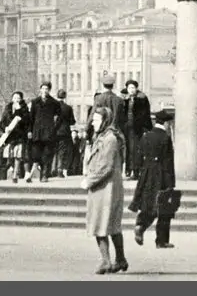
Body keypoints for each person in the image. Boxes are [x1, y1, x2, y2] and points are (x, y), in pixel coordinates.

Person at [81, 105, 128, 275]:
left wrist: (89, 181)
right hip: (106, 187)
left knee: (101, 224)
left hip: (105, 188)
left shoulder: (109, 139)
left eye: (96, 120)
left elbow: (106, 166)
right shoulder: (104, 136)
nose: (93, 123)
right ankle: (120, 259)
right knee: (110, 225)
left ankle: (106, 261)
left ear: (105, 121)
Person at [129, 109, 176, 249]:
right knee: (164, 207)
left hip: (147, 173)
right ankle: (161, 240)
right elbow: (168, 161)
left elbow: (138, 156)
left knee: (148, 202)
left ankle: (140, 225)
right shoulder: (165, 137)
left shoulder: (146, 136)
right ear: (166, 123)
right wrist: (171, 182)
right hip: (161, 174)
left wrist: (140, 171)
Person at [27, 82, 61, 183]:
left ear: (49, 90)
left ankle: (44, 175)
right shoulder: (35, 102)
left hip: (48, 133)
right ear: (40, 90)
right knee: (37, 154)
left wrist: (54, 128)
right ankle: (37, 171)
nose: (45, 91)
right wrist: (29, 130)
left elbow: (59, 117)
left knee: (47, 154)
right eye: (43, 88)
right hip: (37, 132)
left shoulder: (54, 103)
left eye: (47, 89)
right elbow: (31, 118)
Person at [123, 79, 153, 179]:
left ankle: (136, 170)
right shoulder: (124, 99)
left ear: (136, 88)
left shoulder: (142, 99)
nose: (131, 90)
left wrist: (146, 128)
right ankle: (128, 169)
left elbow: (146, 114)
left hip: (138, 129)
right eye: (129, 88)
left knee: (137, 149)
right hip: (127, 128)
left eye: (133, 88)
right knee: (128, 149)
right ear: (127, 89)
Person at [0, 92, 31, 183]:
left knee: (19, 155)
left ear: (21, 99)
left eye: (18, 98)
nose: (16, 99)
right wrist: (5, 128)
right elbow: (2, 122)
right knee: (11, 155)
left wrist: (19, 110)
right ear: (12, 99)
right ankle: (13, 171)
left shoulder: (24, 109)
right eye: (14, 97)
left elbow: (27, 121)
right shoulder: (7, 109)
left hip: (20, 135)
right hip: (10, 136)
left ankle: (15, 175)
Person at [87, 73, 126, 142]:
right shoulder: (119, 100)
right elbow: (122, 118)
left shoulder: (98, 98)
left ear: (103, 85)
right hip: (115, 131)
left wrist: (86, 129)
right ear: (112, 86)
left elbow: (92, 115)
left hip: (101, 131)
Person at [53, 90, 77, 178]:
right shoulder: (68, 108)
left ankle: (52, 168)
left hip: (53, 132)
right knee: (62, 151)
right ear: (65, 96)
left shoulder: (53, 107)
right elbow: (72, 121)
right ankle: (59, 169)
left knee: (53, 150)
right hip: (64, 132)